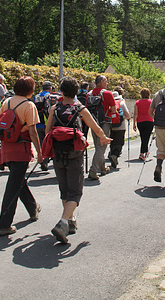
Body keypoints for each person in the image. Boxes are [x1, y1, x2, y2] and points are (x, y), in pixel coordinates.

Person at [43, 76, 112, 243]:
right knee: (76, 191)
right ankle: (63, 222)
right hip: (75, 152)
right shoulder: (80, 108)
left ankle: (71, 222)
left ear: (61, 91)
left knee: (65, 188)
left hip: (58, 152)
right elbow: (95, 127)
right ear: (76, 92)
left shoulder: (55, 108)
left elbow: (47, 131)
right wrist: (104, 138)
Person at [0, 76, 42, 236]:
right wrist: (40, 152)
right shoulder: (29, 105)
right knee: (13, 186)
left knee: (17, 179)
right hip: (21, 148)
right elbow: (33, 132)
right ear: (30, 89)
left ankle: (33, 208)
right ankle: (4, 224)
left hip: (7, 148)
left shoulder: (6, 102)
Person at [86, 75, 118, 180]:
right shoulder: (107, 93)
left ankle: (103, 168)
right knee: (102, 147)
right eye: (106, 81)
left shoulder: (89, 94)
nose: (107, 83)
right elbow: (113, 109)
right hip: (104, 122)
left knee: (98, 147)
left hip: (93, 122)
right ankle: (93, 171)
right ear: (102, 81)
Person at [107, 88, 131, 168]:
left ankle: (111, 154)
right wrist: (128, 119)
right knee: (119, 142)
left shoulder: (109, 104)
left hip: (110, 126)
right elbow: (127, 114)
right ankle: (115, 155)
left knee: (112, 142)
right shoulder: (121, 103)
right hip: (121, 126)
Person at [34, 81, 54, 171]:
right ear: (50, 88)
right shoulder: (49, 96)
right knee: (48, 142)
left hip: (38, 122)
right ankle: (45, 160)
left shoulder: (36, 96)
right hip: (46, 122)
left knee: (41, 142)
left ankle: (43, 159)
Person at [133, 88, 154, 160]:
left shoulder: (138, 102)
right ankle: (142, 152)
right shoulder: (151, 102)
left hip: (140, 121)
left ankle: (145, 151)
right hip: (149, 121)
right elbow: (153, 112)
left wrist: (134, 123)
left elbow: (136, 113)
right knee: (146, 137)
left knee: (143, 137)